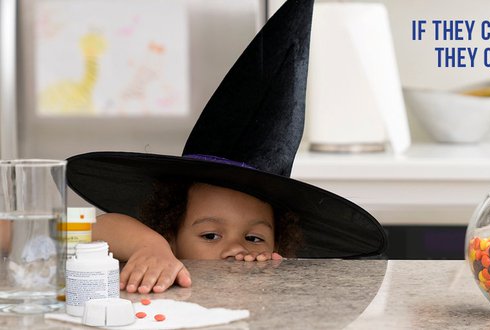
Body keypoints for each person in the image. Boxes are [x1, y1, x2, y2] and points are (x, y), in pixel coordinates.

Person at [66, 0, 387, 294]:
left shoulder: (270, 294)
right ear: (172, 237)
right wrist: (148, 247)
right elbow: (87, 226)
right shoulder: (158, 260)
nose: (237, 249)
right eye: (210, 235)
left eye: (254, 238)